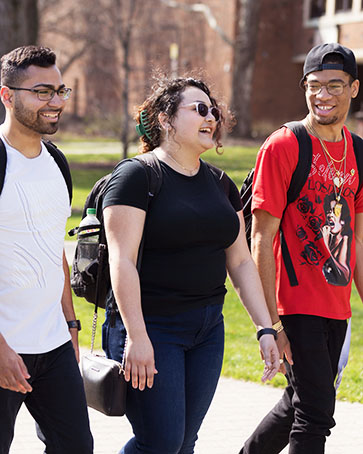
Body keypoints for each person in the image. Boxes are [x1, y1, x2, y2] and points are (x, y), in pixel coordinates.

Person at [101, 76, 280, 454]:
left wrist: (266, 328)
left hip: (207, 329)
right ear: (165, 119)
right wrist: (137, 336)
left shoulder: (220, 183)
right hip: (153, 326)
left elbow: (241, 261)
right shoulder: (137, 176)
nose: (210, 117)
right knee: (161, 442)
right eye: (199, 109)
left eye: (213, 110)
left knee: (184, 442)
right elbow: (122, 260)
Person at [239, 43, 362, 454]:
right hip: (294, 304)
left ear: (354, 89)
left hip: (335, 302)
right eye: (313, 86)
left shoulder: (358, 153)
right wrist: (271, 324)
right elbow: (261, 236)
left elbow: (357, 239)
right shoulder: (284, 145)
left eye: (334, 85)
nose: (322, 95)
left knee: (298, 406)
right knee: (316, 413)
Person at [0, 46, 93, 453]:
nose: (55, 102)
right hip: (5, 344)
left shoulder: (56, 160)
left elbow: (54, 247)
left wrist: (70, 326)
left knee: (75, 446)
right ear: (7, 95)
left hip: (52, 344)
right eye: (42, 92)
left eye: (60, 91)